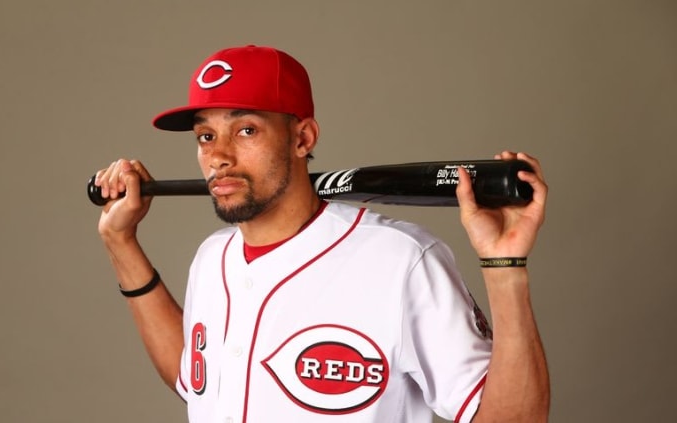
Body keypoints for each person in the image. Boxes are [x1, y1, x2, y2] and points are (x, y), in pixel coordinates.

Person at [94, 45, 550, 422]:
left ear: (303, 139)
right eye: (205, 137)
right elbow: (198, 383)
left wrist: (504, 267)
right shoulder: (212, 258)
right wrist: (122, 242)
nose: (219, 157)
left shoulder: (401, 260)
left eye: (246, 129)